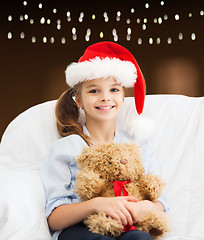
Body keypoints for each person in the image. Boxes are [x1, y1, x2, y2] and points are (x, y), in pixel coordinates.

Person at [40, 41, 169, 240]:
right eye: (94, 91)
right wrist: (98, 204)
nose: (105, 97)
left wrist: (145, 207)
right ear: (79, 100)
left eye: (114, 90)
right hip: (81, 229)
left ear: (123, 96)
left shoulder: (139, 146)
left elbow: (161, 204)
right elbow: (54, 218)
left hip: (128, 226)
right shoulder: (65, 148)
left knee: (140, 239)